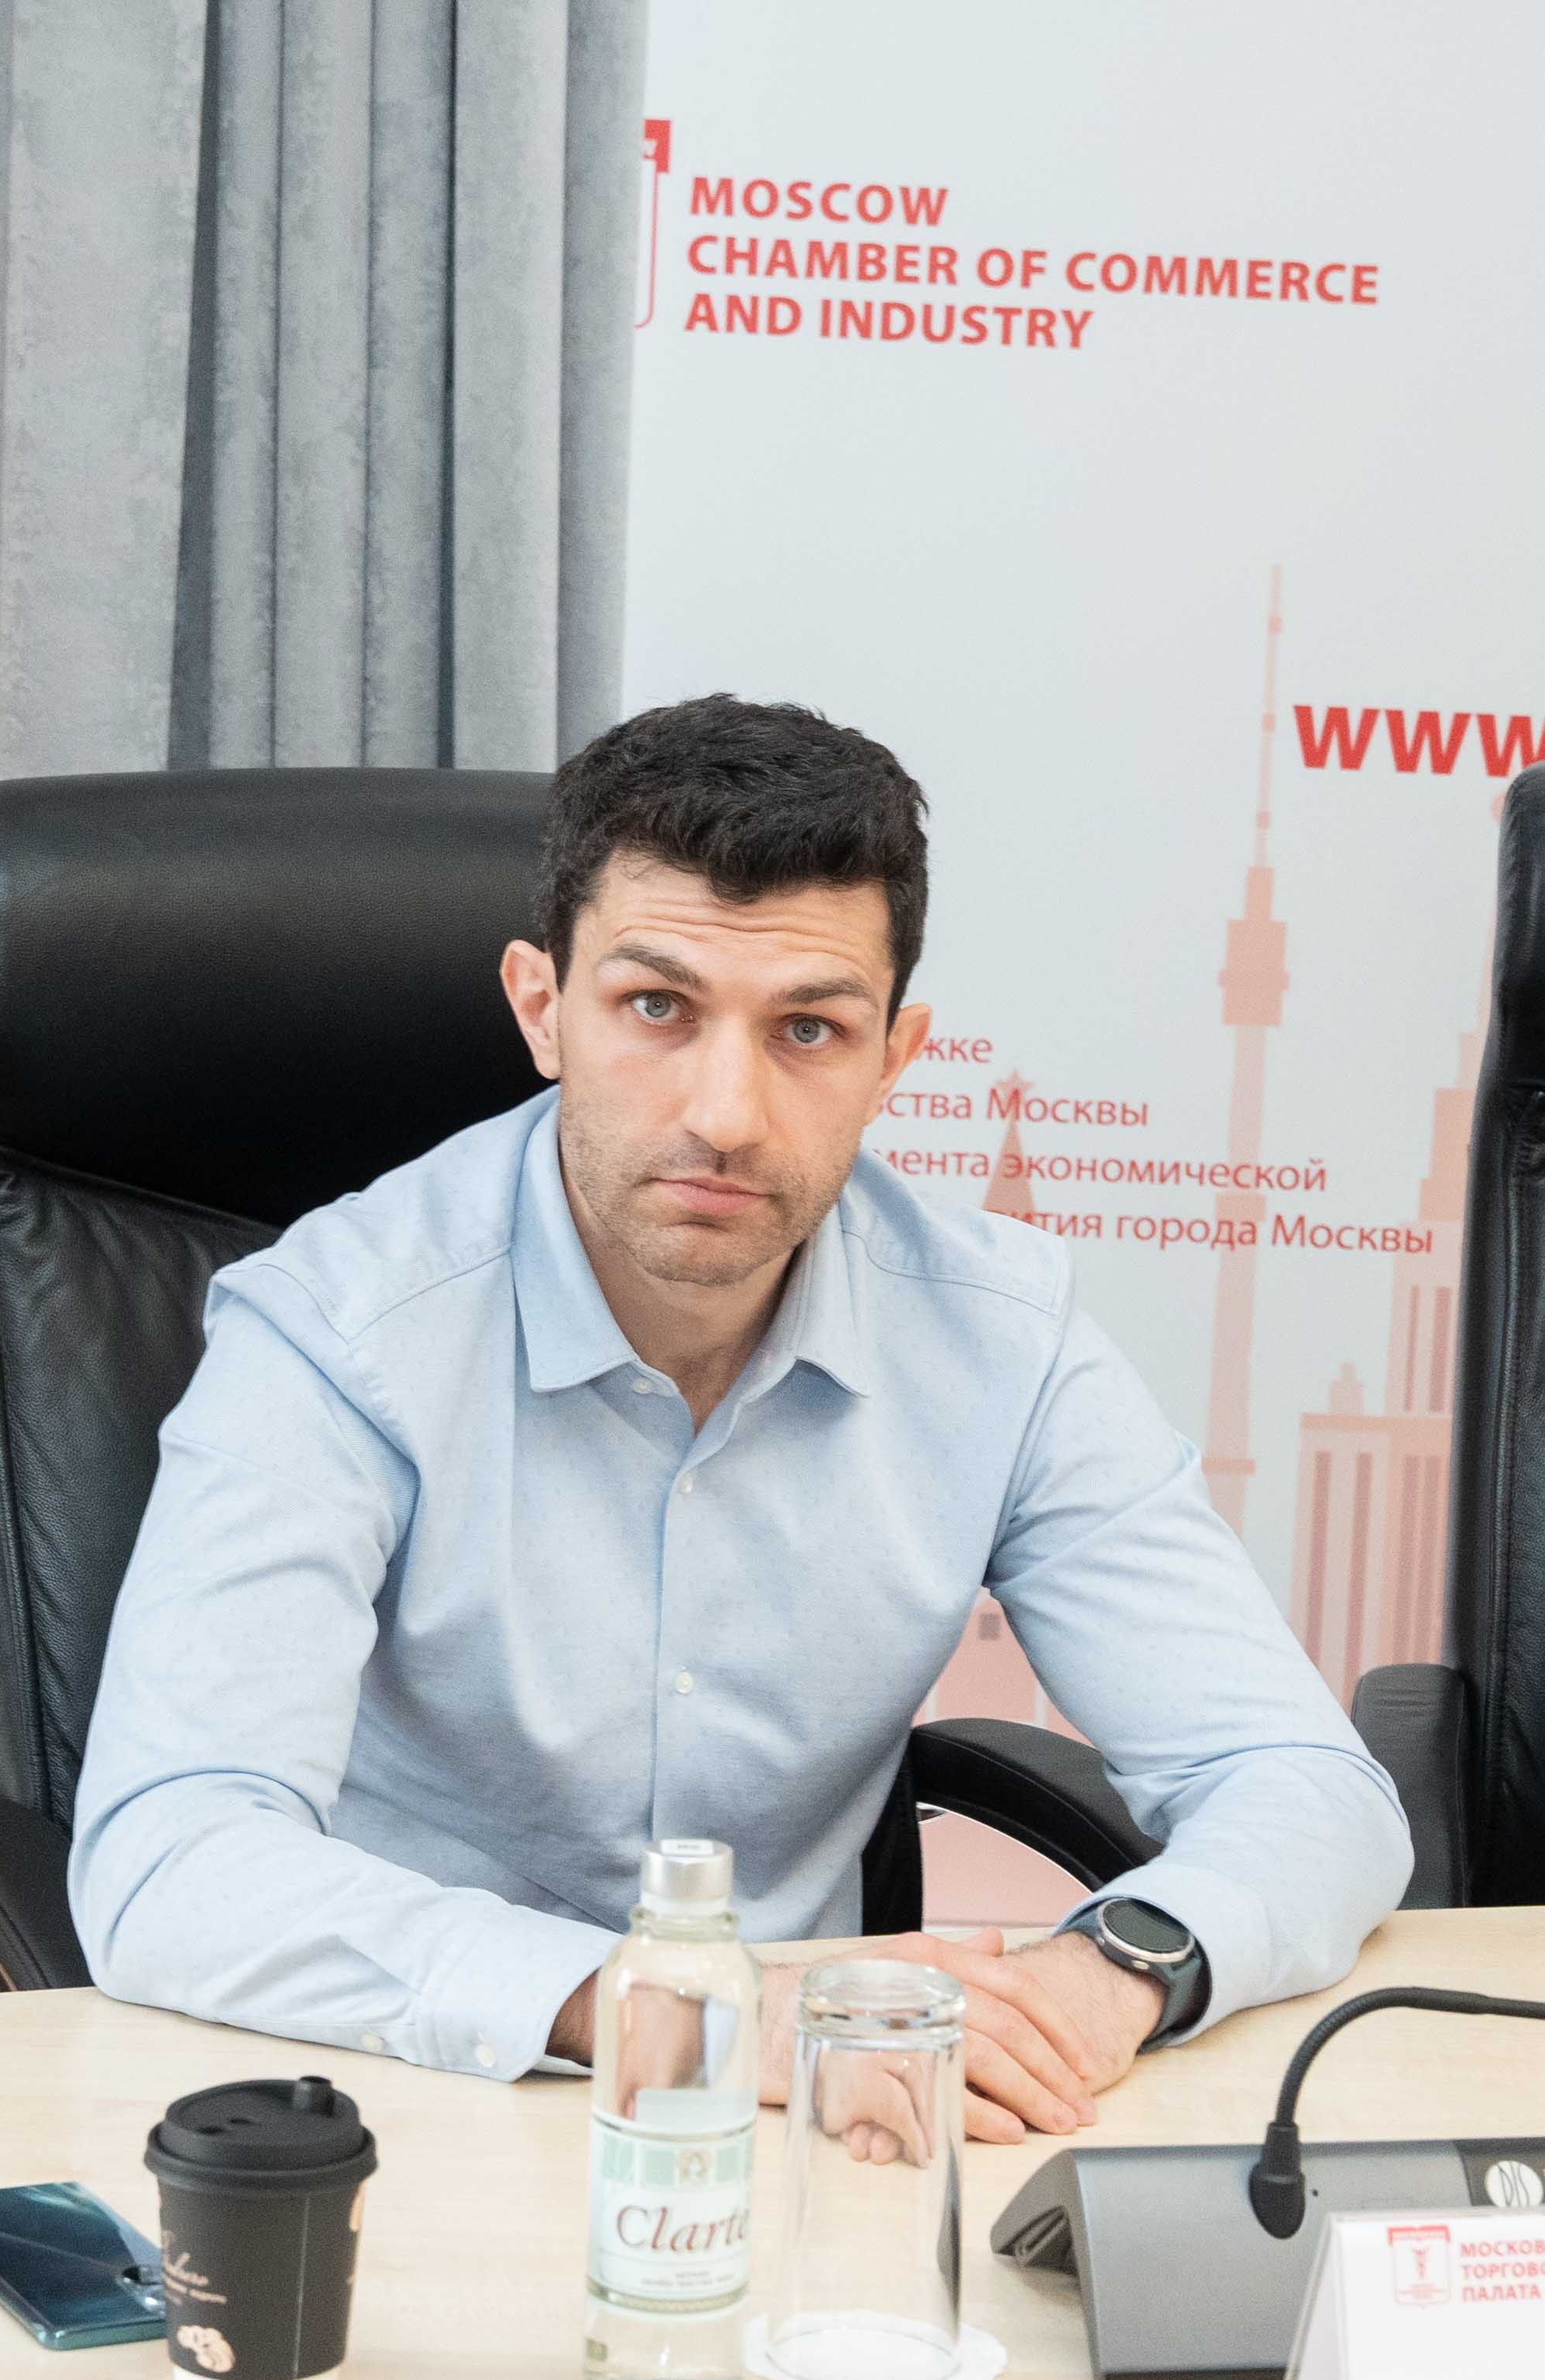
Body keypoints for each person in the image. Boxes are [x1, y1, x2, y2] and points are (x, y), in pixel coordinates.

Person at [68, 696, 1412, 2153]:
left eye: (808, 1031)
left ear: (894, 1058)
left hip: (831, 2126)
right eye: (658, 1008)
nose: (728, 1113)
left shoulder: (999, 1337)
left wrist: (1107, 1978)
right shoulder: (339, 1329)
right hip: (413, 2095)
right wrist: (682, 2016)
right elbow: (170, 1859)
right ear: (541, 1009)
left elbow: (1307, 1788)